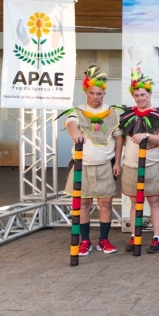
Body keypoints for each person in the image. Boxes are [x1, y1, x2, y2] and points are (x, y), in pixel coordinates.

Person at [60, 66, 122, 255]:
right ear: (86, 92)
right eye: (92, 93)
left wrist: (118, 162)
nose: (96, 97)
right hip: (82, 166)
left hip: (105, 165)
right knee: (83, 204)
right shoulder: (77, 111)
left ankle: (103, 240)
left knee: (106, 204)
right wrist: (76, 132)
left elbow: (119, 137)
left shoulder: (112, 113)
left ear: (104, 94)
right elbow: (71, 123)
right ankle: (85, 241)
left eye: (99, 94)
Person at [119, 63, 159, 254]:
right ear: (133, 96)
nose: (140, 98)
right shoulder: (127, 116)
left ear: (149, 94)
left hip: (154, 165)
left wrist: (147, 136)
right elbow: (122, 140)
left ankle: (157, 238)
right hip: (131, 165)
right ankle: (135, 235)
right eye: (137, 95)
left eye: (143, 94)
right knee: (134, 202)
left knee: (155, 201)